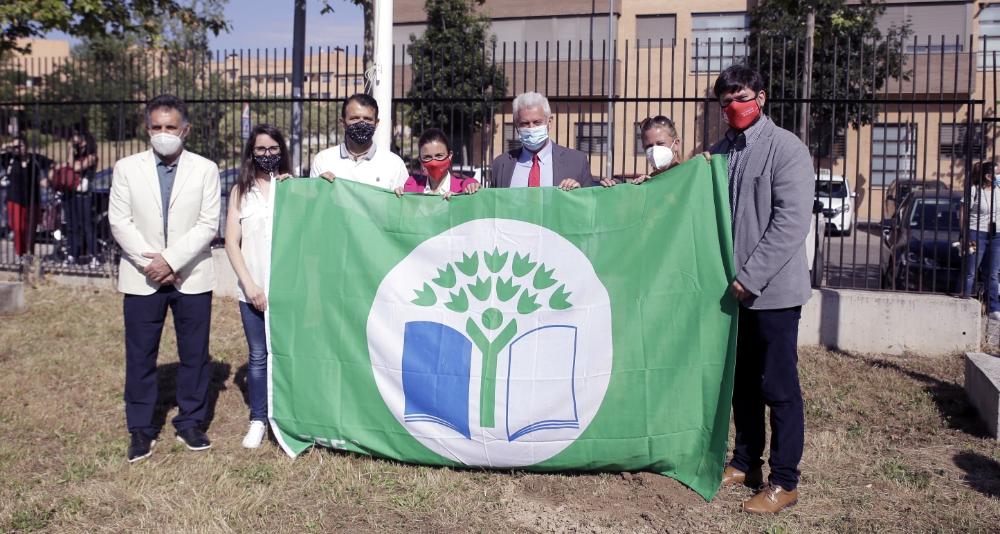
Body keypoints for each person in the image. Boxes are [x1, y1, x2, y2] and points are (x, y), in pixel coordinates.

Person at [710, 65, 814, 514]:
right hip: (734, 295)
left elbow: (790, 222)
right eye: (726, 101)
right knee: (742, 385)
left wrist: (750, 277)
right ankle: (746, 462)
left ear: (762, 97)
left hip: (772, 293)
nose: (735, 106)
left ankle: (784, 481)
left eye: (742, 96)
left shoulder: (786, 148)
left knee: (778, 387)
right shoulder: (720, 151)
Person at [108, 94, 221, 463]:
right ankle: (140, 428)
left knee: (194, 355)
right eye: (156, 127)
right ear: (146, 129)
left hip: (192, 275)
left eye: (170, 127)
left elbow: (208, 223)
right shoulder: (126, 168)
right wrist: (152, 264)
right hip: (142, 277)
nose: (163, 133)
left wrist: (171, 260)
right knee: (140, 356)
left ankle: (191, 421)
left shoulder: (206, 169)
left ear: (185, 129)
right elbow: (119, 221)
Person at [224, 124, 291, 448]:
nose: (268, 155)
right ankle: (258, 419)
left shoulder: (291, 187)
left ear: (282, 151)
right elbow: (231, 242)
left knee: (288, 354)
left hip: (287, 289)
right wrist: (249, 286)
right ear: (252, 152)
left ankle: (289, 418)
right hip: (252, 289)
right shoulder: (241, 190)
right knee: (259, 356)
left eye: (273, 149)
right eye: (261, 149)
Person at [491, 92, 594, 190]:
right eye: (524, 123)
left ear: (549, 122)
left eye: (537, 122)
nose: (531, 128)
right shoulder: (501, 164)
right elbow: (492, 205)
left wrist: (579, 194)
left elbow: (591, 203)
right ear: (516, 125)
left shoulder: (577, 161)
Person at [308, 93, 408, 190]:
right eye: (354, 118)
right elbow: (312, 201)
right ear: (343, 122)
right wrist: (318, 188)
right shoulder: (323, 160)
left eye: (367, 119)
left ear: (376, 123)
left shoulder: (394, 164)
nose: (361, 123)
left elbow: (404, 204)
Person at [960, 161, 1000, 319]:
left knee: (993, 273)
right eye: (996, 173)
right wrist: (964, 234)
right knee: (971, 270)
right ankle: (965, 300)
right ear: (988, 176)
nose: (999, 176)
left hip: (996, 235)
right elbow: (963, 211)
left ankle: (993, 308)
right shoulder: (973, 191)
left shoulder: (999, 190)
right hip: (976, 234)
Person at [394, 128, 481, 199]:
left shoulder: (462, 188)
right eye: (427, 157)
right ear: (420, 160)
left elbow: (472, 187)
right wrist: (398, 198)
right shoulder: (412, 186)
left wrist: (470, 190)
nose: (434, 163)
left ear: (450, 155)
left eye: (439, 156)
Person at [600, 115, 685, 187]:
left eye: (660, 143)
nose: (655, 150)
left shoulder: (691, 175)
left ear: (676, 144)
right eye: (649, 146)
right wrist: (612, 190)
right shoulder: (648, 181)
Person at [1, 137, 49, 260]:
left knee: (31, 229)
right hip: (15, 199)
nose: (18, 149)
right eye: (16, 147)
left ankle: (29, 254)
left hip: (33, 200)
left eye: (21, 145)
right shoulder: (9, 158)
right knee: (18, 228)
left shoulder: (35, 159)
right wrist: (8, 145)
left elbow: (51, 164)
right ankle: (20, 253)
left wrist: (46, 178)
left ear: (26, 146)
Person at [63, 129, 99, 268]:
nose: (76, 140)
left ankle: (94, 255)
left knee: (87, 226)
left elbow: (76, 167)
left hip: (85, 195)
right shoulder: (75, 153)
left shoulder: (92, 156)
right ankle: (72, 254)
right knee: (72, 226)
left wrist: (71, 152)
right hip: (71, 193)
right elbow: (69, 163)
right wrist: (71, 150)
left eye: (79, 137)